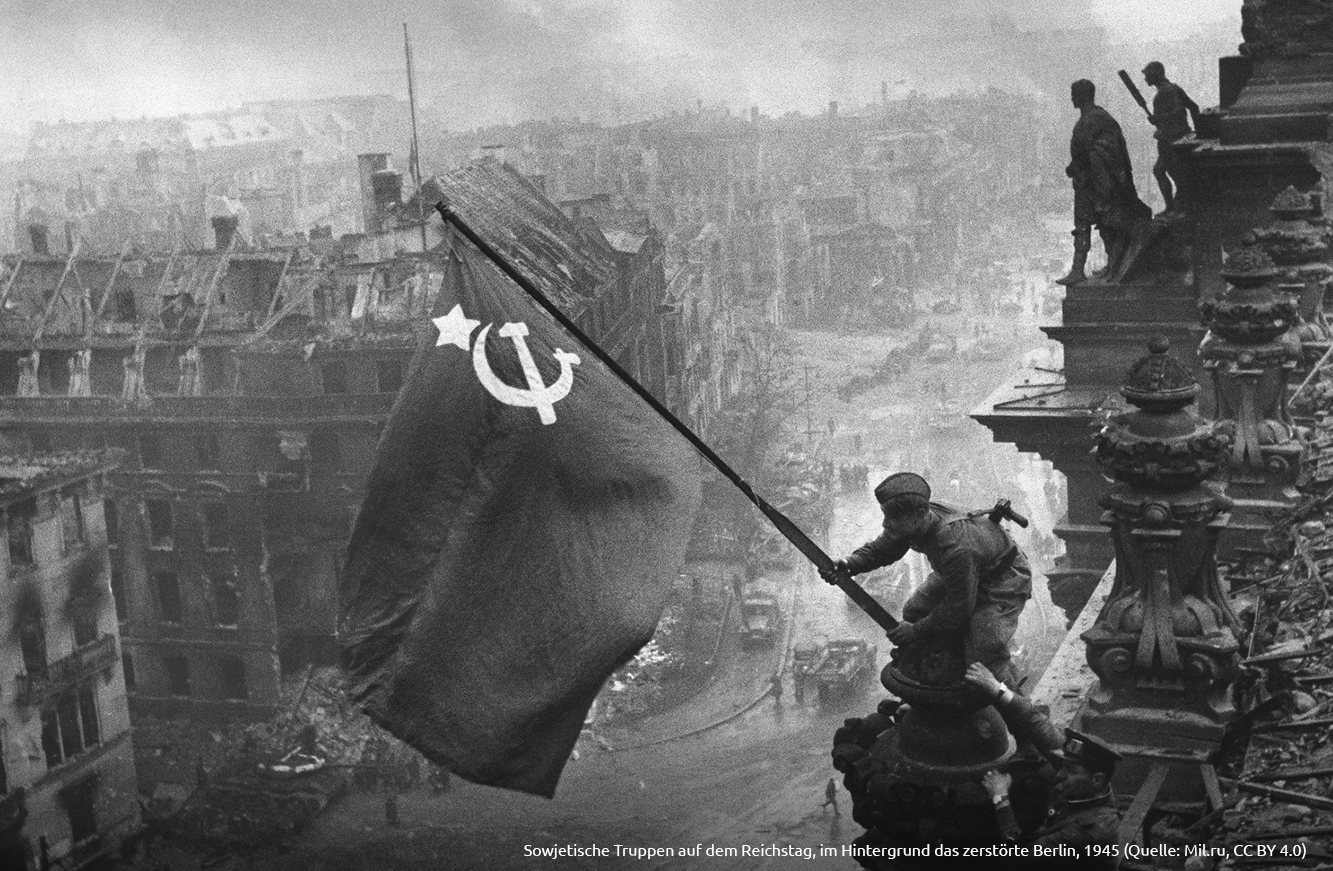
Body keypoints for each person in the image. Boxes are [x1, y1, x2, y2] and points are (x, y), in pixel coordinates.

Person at [822, 473, 1032, 687]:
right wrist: (849, 564)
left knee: (984, 658)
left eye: (893, 518)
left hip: (1003, 579)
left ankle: (1015, 706)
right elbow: (885, 547)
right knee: (915, 610)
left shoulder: (954, 545)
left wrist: (914, 632)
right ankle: (944, 667)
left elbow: (958, 609)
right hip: (965, 569)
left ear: (921, 514)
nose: (886, 524)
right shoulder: (918, 518)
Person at [1058, 79, 1151, 286]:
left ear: (1084, 95)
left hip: (1099, 182)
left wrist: (1084, 163)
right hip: (1087, 181)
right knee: (1089, 224)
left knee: (1099, 224)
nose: (1071, 97)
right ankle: (1085, 269)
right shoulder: (1088, 118)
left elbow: (1108, 149)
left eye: (1074, 93)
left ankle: (1100, 267)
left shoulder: (1097, 118)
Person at [1142, 61, 1199, 213]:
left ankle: (1173, 207)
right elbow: (1193, 107)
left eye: (1147, 74)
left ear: (1156, 74)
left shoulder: (1163, 94)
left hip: (1171, 141)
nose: (1145, 78)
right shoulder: (1174, 88)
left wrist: (1159, 120)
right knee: (1164, 172)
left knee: (1169, 173)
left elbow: (1179, 111)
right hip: (1178, 138)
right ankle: (1174, 206)